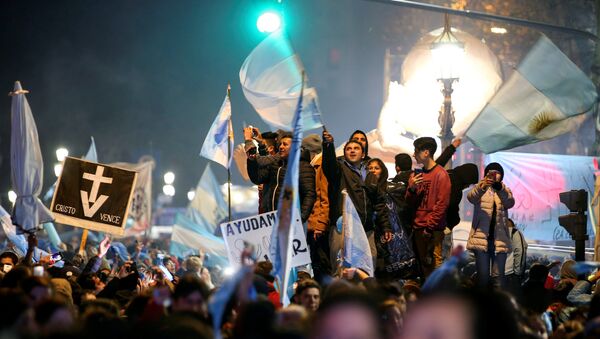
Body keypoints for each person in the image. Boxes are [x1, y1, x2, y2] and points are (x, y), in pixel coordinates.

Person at [322, 130, 391, 275]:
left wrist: (386, 227)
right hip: (343, 229)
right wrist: (328, 145)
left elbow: (379, 203)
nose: (352, 151)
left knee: (368, 269)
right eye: (349, 148)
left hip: (366, 230)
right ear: (345, 153)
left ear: (363, 154)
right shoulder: (339, 170)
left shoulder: (371, 176)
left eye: (356, 148)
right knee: (341, 271)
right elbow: (328, 165)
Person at [246, 127, 316, 223]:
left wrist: (300, 218)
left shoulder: (303, 167)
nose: (281, 147)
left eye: (285, 144)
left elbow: (309, 195)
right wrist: (252, 161)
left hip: (291, 223)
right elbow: (258, 178)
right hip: (271, 220)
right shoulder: (276, 165)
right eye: (280, 144)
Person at [405, 137, 451, 278]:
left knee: (434, 269)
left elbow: (441, 205)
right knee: (424, 269)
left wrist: (429, 228)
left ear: (426, 152)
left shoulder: (441, 174)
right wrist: (411, 188)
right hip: (418, 228)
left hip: (432, 230)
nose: (414, 154)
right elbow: (409, 201)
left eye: (416, 151)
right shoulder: (417, 174)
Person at [366, 158, 418, 280]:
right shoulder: (363, 189)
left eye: (376, 168)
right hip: (372, 233)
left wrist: (411, 188)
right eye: (370, 168)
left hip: (393, 234)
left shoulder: (393, 188)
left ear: (382, 171)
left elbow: (406, 204)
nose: (373, 171)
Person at [467, 162, 515, 288]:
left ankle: (497, 305)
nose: (494, 175)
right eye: (491, 172)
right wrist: (482, 186)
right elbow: (471, 197)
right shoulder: (481, 188)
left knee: (499, 279)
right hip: (482, 239)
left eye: (497, 172)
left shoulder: (505, 190)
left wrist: (500, 189)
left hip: (499, 240)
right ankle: (482, 304)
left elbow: (510, 202)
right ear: (486, 174)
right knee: (483, 277)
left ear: (501, 175)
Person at [503, 218, 527, 295]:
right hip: (508, 275)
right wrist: (517, 274)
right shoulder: (514, 232)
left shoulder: (489, 232)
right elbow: (520, 251)